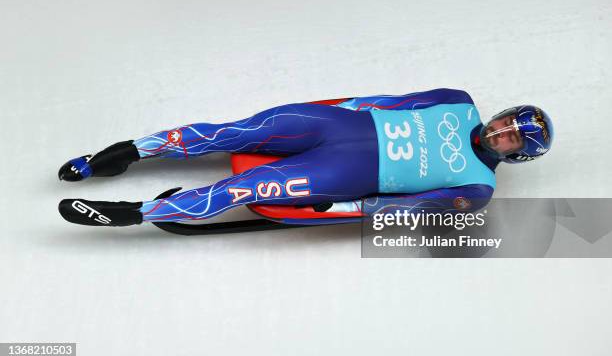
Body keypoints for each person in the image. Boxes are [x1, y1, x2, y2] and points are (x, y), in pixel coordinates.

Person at [58, 88, 553, 226]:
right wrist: (330, 108)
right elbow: (382, 100)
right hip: (336, 125)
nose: (501, 130)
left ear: (516, 156)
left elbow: (397, 209)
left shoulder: (477, 189)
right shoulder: (457, 100)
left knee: (241, 190)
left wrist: (334, 211)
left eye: (511, 138)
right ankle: (122, 154)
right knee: (233, 131)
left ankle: (137, 214)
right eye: (508, 121)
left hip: (342, 173)